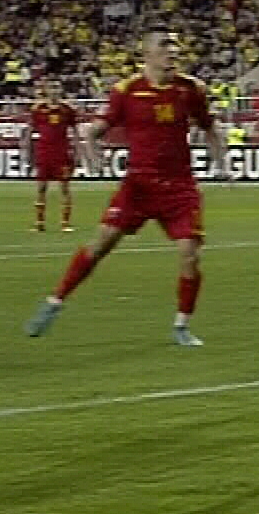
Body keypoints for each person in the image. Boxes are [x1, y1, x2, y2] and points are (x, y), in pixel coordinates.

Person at [27, 31, 229, 346]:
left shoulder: (190, 89)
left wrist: (222, 160)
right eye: (165, 47)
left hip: (179, 186)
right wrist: (92, 149)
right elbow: (96, 129)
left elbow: (209, 126)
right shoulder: (127, 91)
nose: (172, 53)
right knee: (100, 245)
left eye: (175, 47)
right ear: (146, 54)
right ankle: (55, 302)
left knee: (190, 255)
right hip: (138, 186)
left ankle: (181, 326)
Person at [23, 81, 83, 233]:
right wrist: (27, 151)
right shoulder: (38, 109)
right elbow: (29, 132)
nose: (54, 91)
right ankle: (39, 222)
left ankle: (65, 223)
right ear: (46, 90)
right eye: (51, 87)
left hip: (62, 153)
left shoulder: (67, 109)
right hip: (43, 152)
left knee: (64, 187)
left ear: (61, 90)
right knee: (41, 188)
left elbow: (75, 132)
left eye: (57, 87)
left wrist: (78, 151)